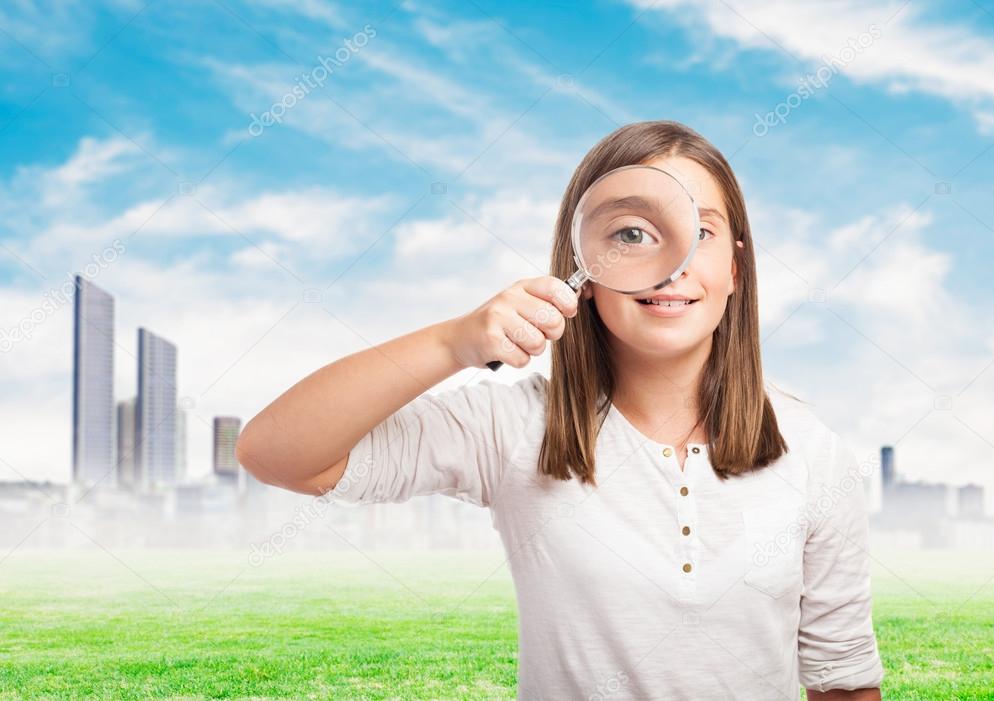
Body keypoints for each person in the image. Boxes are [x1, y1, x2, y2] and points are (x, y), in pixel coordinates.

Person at [236, 120, 885, 700]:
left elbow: (842, 677)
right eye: (632, 234)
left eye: (700, 232)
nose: (670, 264)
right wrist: (450, 342)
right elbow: (275, 453)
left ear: (736, 268)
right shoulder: (513, 428)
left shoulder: (810, 448)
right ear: (583, 267)